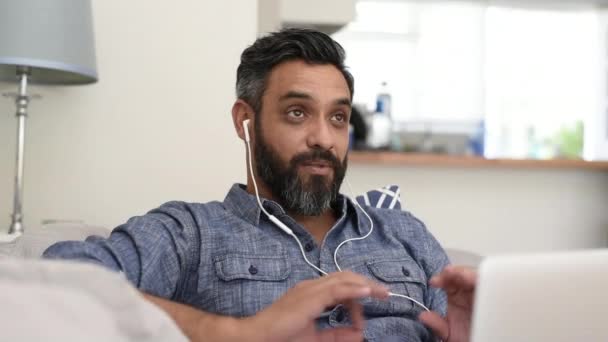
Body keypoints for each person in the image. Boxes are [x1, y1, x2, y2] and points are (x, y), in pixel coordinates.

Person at [44, 28, 475, 342]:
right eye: (297, 113)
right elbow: (60, 279)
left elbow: (456, 327)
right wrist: (237, 332)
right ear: (244, 121)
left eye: (338, 117)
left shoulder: (403, 233)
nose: (324, 138)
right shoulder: (192, 231)